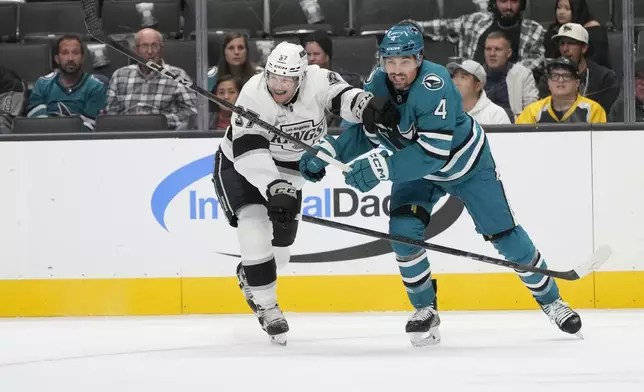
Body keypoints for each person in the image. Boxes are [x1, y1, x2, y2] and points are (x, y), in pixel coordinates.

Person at [299, 23, 582, 347]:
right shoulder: (378, 81)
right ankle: (424, 309)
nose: (396, 69)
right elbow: (367, 131)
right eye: (390, 61)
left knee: (505, 237)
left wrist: (380, 166)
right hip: (418, 173)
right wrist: (330, 149)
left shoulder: (436, 85)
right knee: (403, 233)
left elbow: (433, 154)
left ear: (419, 58)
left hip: (467, 167)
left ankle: (551, 301)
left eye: (404, 61)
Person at [211, 41, 399, 346]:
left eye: (286, 79)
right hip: (242, 166)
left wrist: (367, 105)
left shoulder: (318, 80)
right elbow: (249, 151)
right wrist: (274, 186)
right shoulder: (252, 94)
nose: (278, 85)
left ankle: (250, 276)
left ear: (300, 77)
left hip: (291, 172)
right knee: (254, 222)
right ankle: (268, 306)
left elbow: (343, 98)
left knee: (281, 253)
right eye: (273, 76)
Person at [106, 28, 197, 130]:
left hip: (163, 136)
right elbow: (111, 112)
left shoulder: (178, 75)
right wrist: (130, 121)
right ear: (136, 50)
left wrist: (157, 121)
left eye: (154, 46)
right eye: (144, 46)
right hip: (126, 135)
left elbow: (192, 112)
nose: (150, 51)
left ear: (161, 49)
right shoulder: (119, 75)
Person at [419, 0, 546, 72]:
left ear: (522, 3)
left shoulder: (533, 30)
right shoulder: (476, 21)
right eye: (503, 1)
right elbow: (443, 26)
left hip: (510, 91)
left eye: (514, 1)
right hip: (470, 86)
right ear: (494, 2)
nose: (508, 7)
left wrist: (511, 74)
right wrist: (413, 27)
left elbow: (537, 61)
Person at [28, 34, 106, 131]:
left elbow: (90, 129)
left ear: (82, 58)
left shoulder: (96, 87)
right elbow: (36, 123)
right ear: (57, 59)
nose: (70, 58)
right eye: (65, 53)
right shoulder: (42, 84)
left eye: (75, 53)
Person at [518, 57, 606, 123]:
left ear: (577, 83)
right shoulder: (532, 112)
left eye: (566, 76)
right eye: (555, 76)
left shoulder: (593, 110)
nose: (560, 80)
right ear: (548, 82)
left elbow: (599, 144)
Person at [483, 31, 539, 120]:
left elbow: (531, 109)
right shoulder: (475, 76)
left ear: (508, 53)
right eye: (488, 49)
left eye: (498, 49)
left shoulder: (523, 75)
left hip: (513, 128)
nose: (492, 54)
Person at [543, 0, 610, 69]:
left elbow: (599, 59)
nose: (561, 12)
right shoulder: (553, 31)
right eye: (559, 7)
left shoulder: (593, 30)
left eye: (567, 8)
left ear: (577, 10)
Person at [448, 59, 511, 124]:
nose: (455, 82)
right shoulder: (443, 111)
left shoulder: (496, 115)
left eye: (463, 77)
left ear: (477, 86)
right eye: (454, 76)